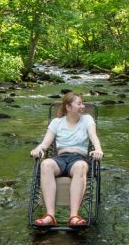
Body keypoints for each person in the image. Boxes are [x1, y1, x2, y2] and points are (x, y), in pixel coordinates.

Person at [30, 92, 103, 227]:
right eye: (79, 103)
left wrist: (98, 149)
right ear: (69, 107)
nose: (83, 106)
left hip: (79, 158)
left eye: (82, 103)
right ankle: (50, 215)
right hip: (61, 159)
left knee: (80, 166)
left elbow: (93, 136)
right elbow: (45, 143)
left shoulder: (87, 119)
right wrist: (38, 149)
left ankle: (74, 216)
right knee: (45, 164)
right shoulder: (56, 123)